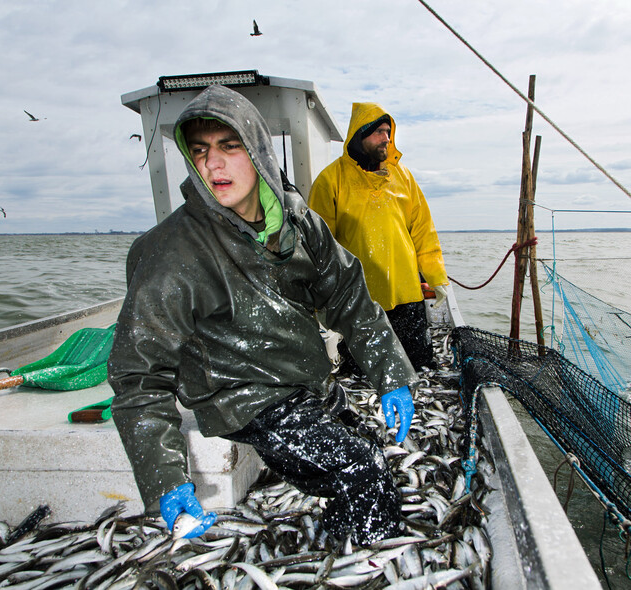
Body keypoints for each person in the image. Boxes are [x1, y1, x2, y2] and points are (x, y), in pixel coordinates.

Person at [107, 85, 418, 546]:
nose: (213, 165)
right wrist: (166, 478)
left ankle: (338, 541)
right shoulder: (171, 252)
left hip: (303, 377)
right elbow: (139, 375)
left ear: (257, 150)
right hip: (242, 395)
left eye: (229, 147)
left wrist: (391, 373)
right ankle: (369, 560)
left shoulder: (297, 222)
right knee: (361, 468)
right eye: (200, 151)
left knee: (368, 446)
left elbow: (348, 294)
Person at [308, 103, 448, 371]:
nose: (386, 138)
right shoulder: (330, 180)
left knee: (418, 364)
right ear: (359, 135)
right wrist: (323, 299)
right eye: (379, 132)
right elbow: (320, 245)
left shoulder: (403, 176)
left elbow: (423, 229)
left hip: (406, 292)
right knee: (363, 371)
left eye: (388, 132)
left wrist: (436, 276)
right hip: (359, 298)